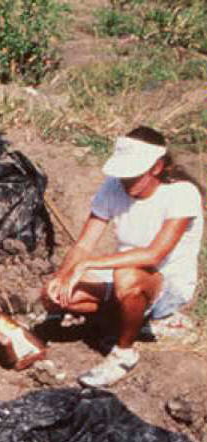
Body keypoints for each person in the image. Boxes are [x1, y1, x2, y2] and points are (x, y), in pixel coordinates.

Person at [41, 126, 203, 388]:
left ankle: (123, 352)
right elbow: (84, 244)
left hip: (165, 284)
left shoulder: (181, 194)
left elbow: (153, 255)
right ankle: (122, 317)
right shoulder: (113, 187)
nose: (126, 182)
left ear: (157, 167)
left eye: (133, 175)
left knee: (127, 276)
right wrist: (62, 277)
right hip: (122, 276)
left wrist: (88, 264)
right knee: (55, 296)